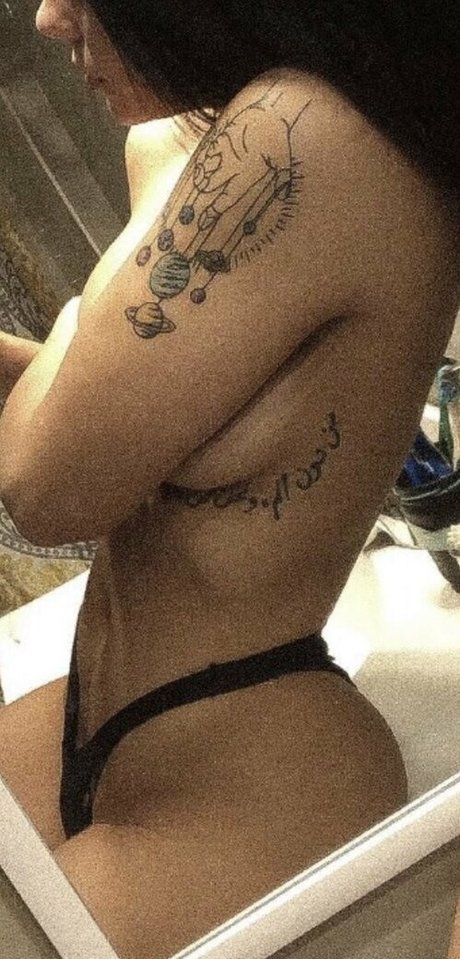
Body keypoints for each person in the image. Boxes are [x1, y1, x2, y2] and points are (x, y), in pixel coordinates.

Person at [0, 2, 459, 957]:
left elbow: (47, 485)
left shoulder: (300, 134)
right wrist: (72, 360)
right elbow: (133, 421)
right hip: (107, 716)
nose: (49, 17)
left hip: (244, 756)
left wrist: (81, 323)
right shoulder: (187, 136)